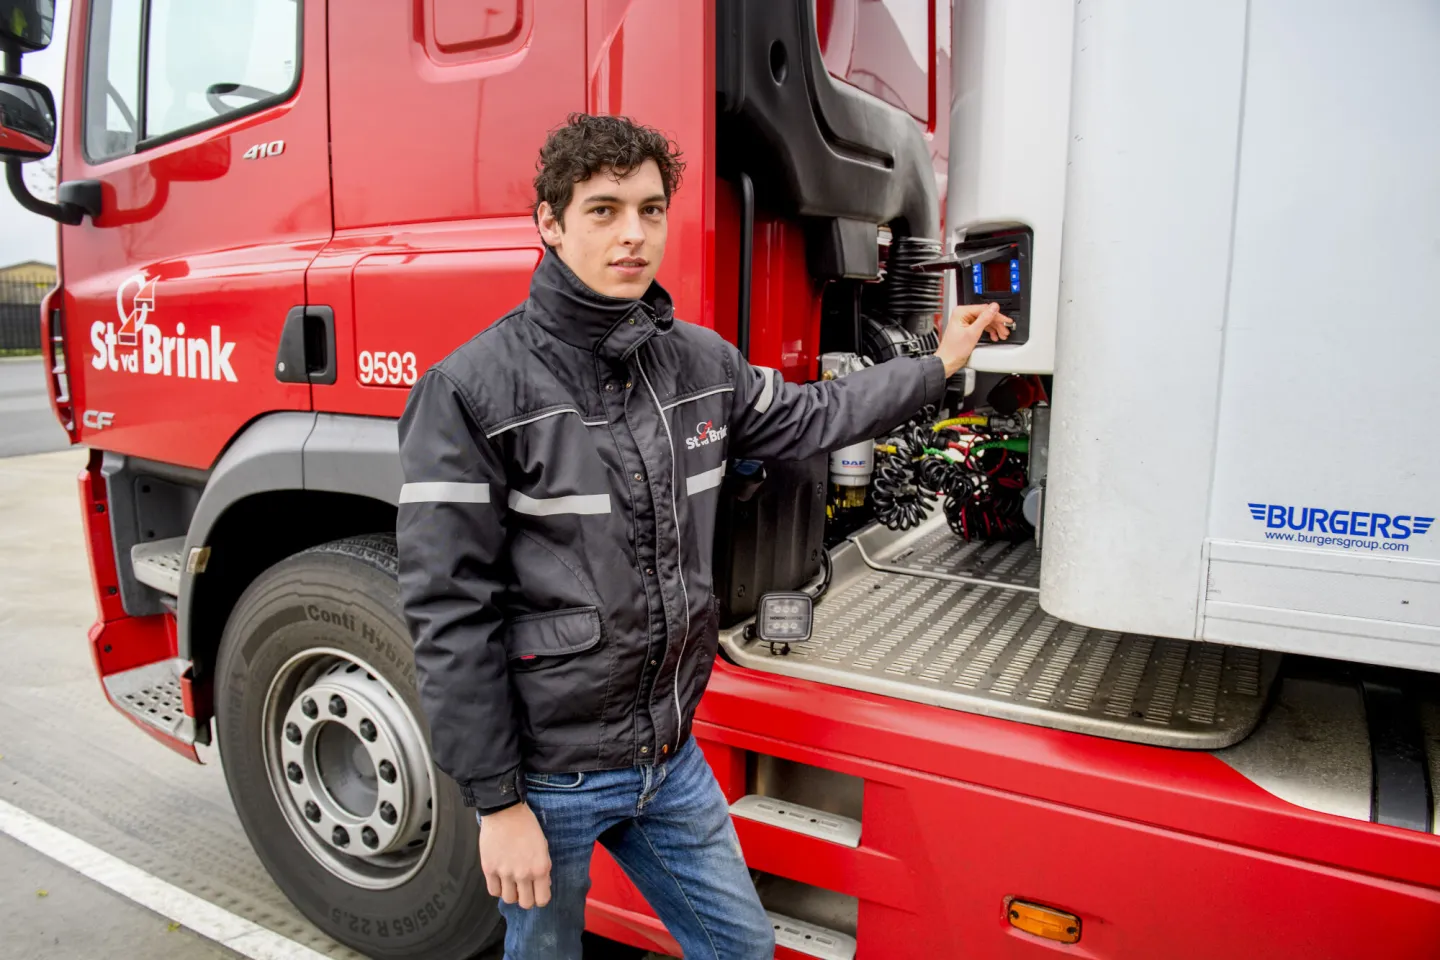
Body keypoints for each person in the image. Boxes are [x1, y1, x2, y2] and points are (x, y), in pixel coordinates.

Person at [396, 113, 1012, 960]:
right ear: (549, 223)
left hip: (668, 758)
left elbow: (817, 414)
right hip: (551, 777)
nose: (633, 235)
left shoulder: (699, 364)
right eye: (604, 210)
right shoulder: (470, 391)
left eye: (651, 210)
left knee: (742, 951)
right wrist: (498, 804)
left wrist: (936, 364)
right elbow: (447, 612)